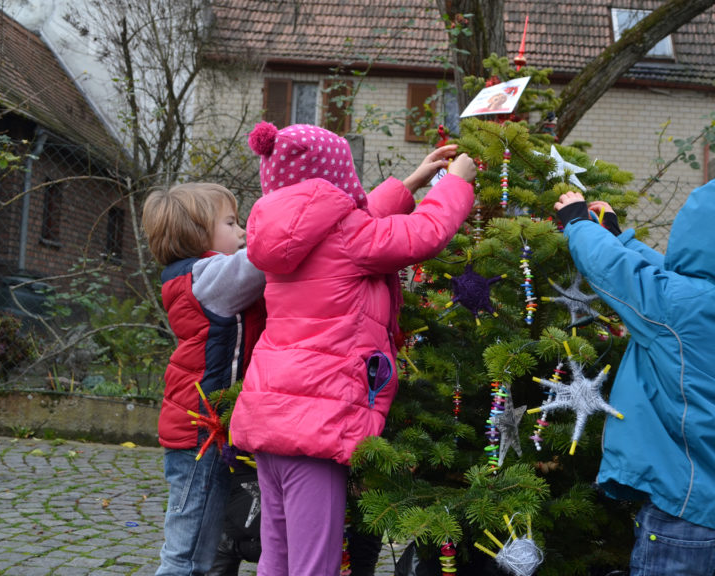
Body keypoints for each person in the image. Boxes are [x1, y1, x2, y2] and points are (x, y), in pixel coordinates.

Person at [229, 122, 477, 575]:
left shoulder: (285, 236)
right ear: (335, 180)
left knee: (278, 555)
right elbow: (423, 235)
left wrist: (408, 184)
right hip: (316, 427)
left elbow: (349, 225)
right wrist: (457, 183)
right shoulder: (349, 240)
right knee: (313, 564)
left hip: (270, 417)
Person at [553, 173, 715, 575]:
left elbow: (616, 271)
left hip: (682, 515)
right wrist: (619, 235)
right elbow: (672, 279)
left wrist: (578, 222)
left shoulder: (677, 308)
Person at [141, 182, 267, 576]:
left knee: (201, 550)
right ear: (197, 235)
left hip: (203, 429)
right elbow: (265, 260)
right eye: (231, 222)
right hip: (199, 433)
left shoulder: (197, 274)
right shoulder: (208, 276)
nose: (243, 231)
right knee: (187, 554)